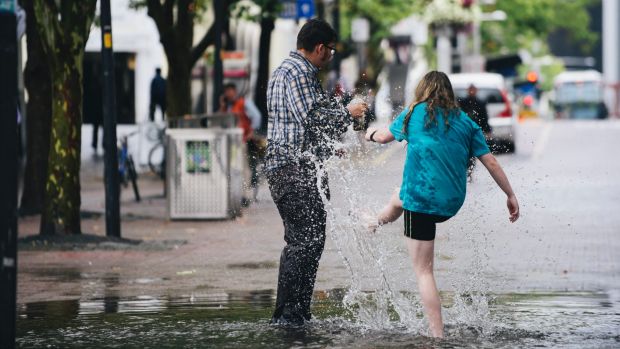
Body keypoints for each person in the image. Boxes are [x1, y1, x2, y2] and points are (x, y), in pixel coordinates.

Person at [364, 71, 520, 337]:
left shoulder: (413, 114)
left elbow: (382, 138)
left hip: (422, 202)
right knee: (399, 196)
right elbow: (491, 161)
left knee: (424, 272)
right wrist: (510, 194)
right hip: (450, 201)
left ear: (423, 91)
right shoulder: (466, 122)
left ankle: (437, 335)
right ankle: (374, 222)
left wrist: (369, 133)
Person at [265, 18, 367, 325]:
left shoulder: (292, 70)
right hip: (292, 170)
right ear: (320, 48)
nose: (331, 57)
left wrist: (326, 149)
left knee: (307, 239)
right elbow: (312, 117)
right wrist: (347, 112)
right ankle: (289, 316)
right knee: (304, 241)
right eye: (331, 51)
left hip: (294, 167)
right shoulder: (296, 71)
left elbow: (300, 125)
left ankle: (294, 312)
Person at [219, 82, 262, 203]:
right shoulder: (227, 106)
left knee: (244, 168)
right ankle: (234, 194)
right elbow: (222, 120)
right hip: (231, 142)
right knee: (232, 167)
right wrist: (222, 105)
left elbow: (257, 116)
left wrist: (251, 132)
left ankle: (246, 195)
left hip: (242, 141)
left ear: (234, 91)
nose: (228, 94)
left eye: (229, 91)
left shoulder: (244, 103)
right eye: (226, 92)